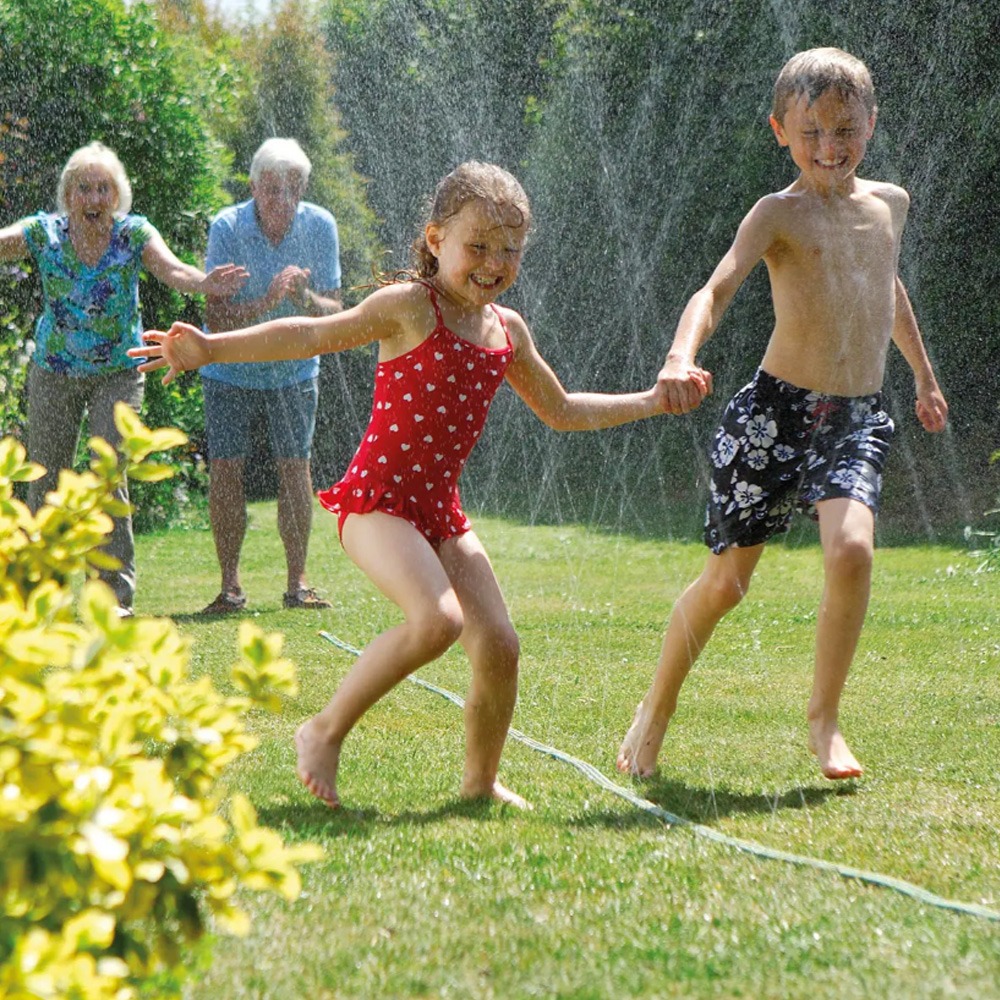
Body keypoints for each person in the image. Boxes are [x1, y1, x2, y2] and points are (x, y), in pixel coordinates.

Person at [131, 161, 706, 809]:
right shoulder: (410, 307)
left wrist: (654, 401)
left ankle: (479, 784)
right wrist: (211, 347)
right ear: (436, 241)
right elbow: (308, 334)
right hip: (375, 504)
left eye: (510, 250)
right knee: (437, 621)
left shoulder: (506, 332)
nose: (493, 263)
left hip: (439, 514)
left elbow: (564, 409)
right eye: (478, 246)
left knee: (500, 645)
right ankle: (322, 730)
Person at [616, 47, 949, 782]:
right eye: (811, 133)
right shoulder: (778, 213)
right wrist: (679, 354)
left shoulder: (889, 204)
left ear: (870, 122)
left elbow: (886, 291)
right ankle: (655, 710)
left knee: (853, 551)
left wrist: (923, 375)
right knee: (726, 586)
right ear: (779, 130)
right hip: (775, 414)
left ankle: (824, 722)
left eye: (845, 130)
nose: (830, 148)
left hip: (855, 415)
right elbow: (716, 289)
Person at [0, 141, 247, 617]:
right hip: (54, 370)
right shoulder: (42, 233)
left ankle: (112, 598)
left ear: (117, 196)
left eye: (103, 189)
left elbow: (172, 269)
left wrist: (202, 282)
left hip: (119, 369)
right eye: (83, 189)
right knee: (44, 479)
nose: (93, 198)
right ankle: (33, 596)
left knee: (108, 475)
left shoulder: (133, 235)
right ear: (68, 195)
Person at [200, 137, 343, 615]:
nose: (282, 198)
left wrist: (303, 297)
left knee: (295, 468)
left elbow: (335, 310)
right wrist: (265, 303)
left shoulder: (320, 225)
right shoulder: (227, 226)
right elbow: (215, 319)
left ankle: (297, 583)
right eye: (271, 188)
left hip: (293, 369)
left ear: (302, 187)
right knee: (225, 469)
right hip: (228, 369)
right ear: (254, 186)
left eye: (291, 188)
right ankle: (229, 587)